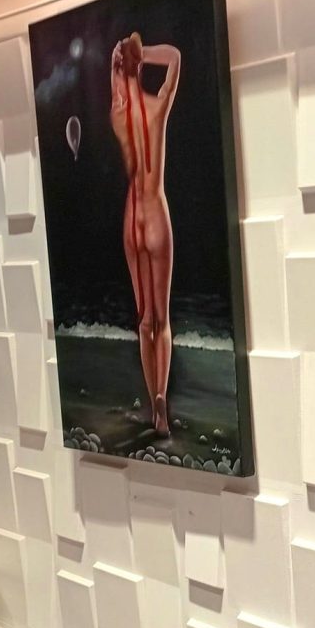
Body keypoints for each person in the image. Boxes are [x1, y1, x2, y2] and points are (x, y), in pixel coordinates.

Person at [110, 33, 181, 435]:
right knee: (162, 320)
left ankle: (152, 399)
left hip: (131, 218)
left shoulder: (118, 115)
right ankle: (160, 402)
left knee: (144, 321)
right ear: (139, 67)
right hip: (155, 213)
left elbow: (116, 89)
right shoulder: (157, 109)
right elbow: (175, 59)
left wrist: (120, 62)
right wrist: (144, 53)